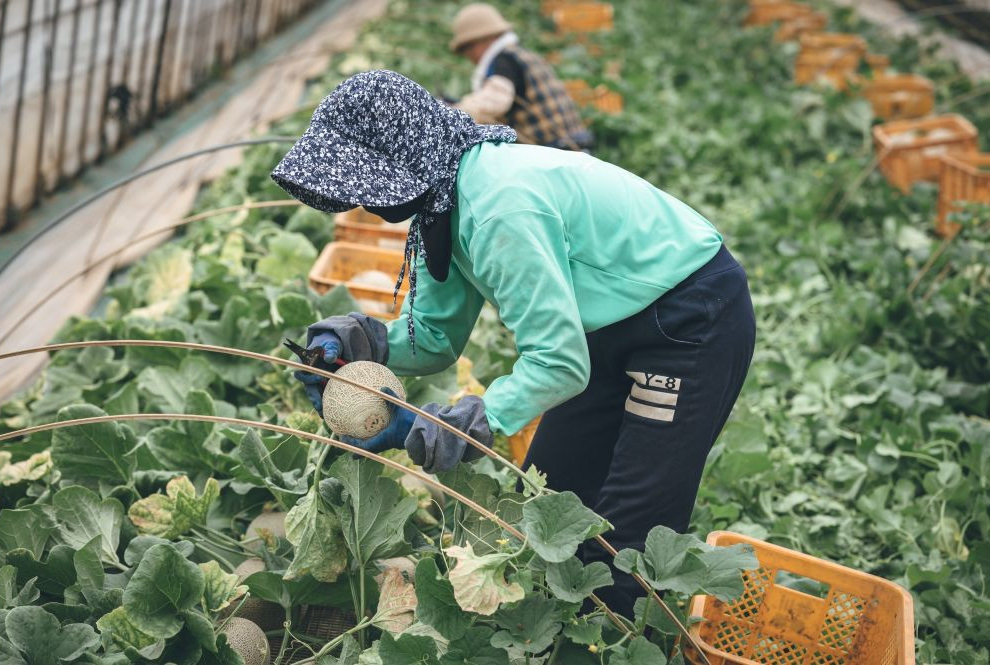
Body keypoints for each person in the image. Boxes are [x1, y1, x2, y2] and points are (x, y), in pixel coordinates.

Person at [273, 70, 755, 618]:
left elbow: (558, 361)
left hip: (689, 319)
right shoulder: (440, 202)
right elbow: (433, 337)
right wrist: (367, 344)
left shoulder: (500, 207)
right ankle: (557, 630)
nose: (360, 203)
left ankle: (615, 642)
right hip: (608, 326)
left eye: (361, 185)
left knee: (628, 534)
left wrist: (470, 420)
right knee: (554, 500)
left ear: (395, 165)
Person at [450, 3, 593, 151]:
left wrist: (454, 114)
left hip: (555, 152)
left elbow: (495, 100)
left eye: (467, 48)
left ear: (484, 38)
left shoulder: (504, 61)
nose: (468, 56)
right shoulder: (523, 55)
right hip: (576, 148)